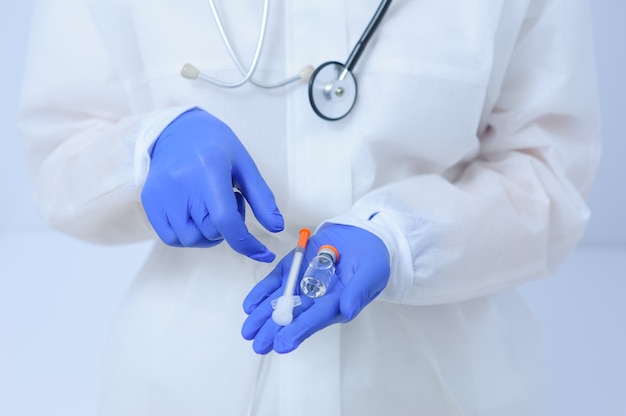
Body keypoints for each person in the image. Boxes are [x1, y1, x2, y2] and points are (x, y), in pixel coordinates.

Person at [18, 0, 600, 415]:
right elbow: (59, 152)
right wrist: (145, 149)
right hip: (184, 387)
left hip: (442, 390)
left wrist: (405, 238)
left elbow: (548, 176)